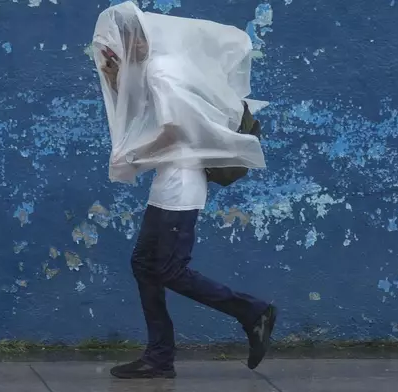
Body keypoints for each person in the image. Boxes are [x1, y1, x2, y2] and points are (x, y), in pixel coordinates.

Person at [93, 2, 277, 379]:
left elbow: (177, 130)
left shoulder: (164, 71)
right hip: (169, 182)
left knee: (170, 269)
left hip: (181, 184)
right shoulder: (158, 67)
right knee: (145, 265)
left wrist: (134, 154)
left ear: (138, 38)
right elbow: (141, 110)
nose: (124, 48)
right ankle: (159, 357)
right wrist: (115, 78)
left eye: (125, 41)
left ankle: (252, 311)